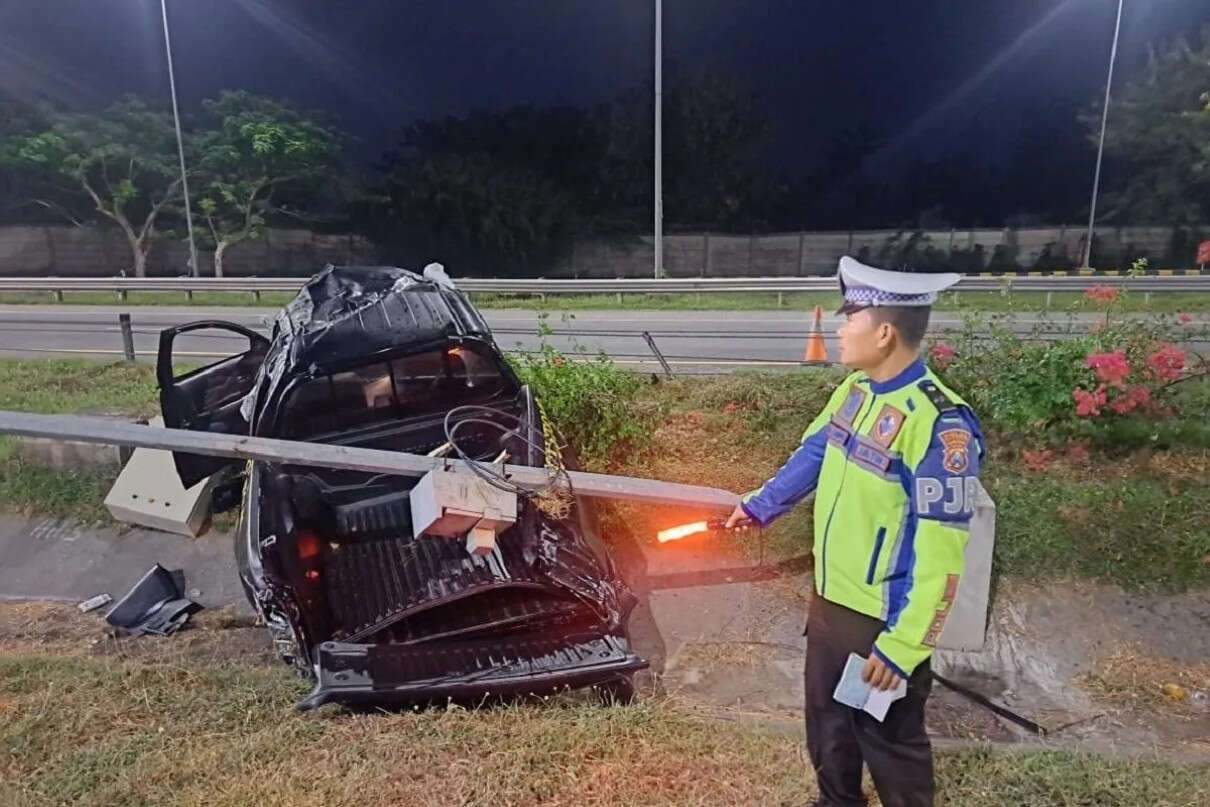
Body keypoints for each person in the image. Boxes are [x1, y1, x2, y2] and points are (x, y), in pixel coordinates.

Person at [725, 256, 985, 807]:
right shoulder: (856, 392)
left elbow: (944, 555)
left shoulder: (939, 425)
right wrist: (760, 507)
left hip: (882, 621)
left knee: (890, 744)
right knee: (828, 729)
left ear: (885, 332)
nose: (839, 329)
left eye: (851, 318)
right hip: (831, 603)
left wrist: (901, 647)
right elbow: (815, 451)